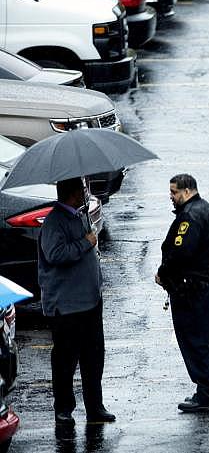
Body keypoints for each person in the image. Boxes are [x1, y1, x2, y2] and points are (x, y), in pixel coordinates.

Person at [38, 177, 115, 426]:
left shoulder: (80, 215)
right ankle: (63, 409)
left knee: (94, 358)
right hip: (67, 306)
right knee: (65, 361)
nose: (86, 193)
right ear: (72, 193)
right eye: (82, 189)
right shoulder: (54, 222)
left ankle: (95, 406)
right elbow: (55, 254)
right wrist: (86, 242)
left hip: (90, 301)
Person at [155, 174, 209, 413]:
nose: (171, 198)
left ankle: (207, 392)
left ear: (187, 192)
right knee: (207, 339)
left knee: (194, 340)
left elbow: (180, 253)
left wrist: (163, 274)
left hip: (193, 289)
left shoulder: (190, 217)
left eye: (174, 193)